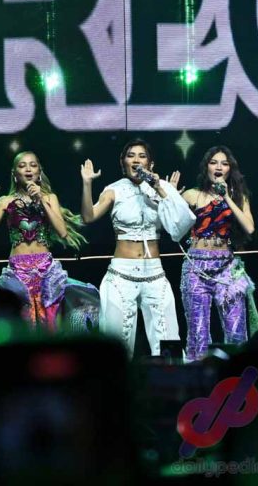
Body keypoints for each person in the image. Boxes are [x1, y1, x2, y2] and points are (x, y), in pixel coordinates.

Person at [80, 139, 194, 357]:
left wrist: (162, 189)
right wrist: (87, 184)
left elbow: (181, 225)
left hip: (155, 274)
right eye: (131, 155)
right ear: (123, 162)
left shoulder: (161, 188)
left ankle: (171, 379)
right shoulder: (114, 190)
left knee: (168, 339)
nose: (136, 160)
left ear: (150, 163)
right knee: (117, 343)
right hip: (121, 275)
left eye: (142, 156)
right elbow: (88, 216)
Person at [0, 151, 99, 333]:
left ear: (39, 172)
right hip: (18, 272)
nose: (28, 169)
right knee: (23, 324)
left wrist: (40, 199)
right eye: (22, 165)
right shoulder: (5, 201)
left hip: (46, 270)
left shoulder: (49, 198)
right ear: (14, 173)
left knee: (51, 324)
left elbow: (62, 231)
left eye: (33, 165)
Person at [171, 146, 258, 361]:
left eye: (224, 163)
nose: (219, 167)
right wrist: (171, 196)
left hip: (227, 269)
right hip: (196, 267)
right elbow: (170, 223)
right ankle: (198, 377)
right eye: (214, 162)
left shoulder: (239, 197)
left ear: (230, 169)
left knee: (236, 332)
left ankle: (236, 376)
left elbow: (249, 228)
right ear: (206, 167)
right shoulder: (192, 195)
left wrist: (227, 197)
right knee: (198, 332)